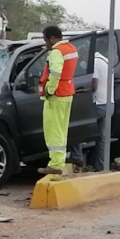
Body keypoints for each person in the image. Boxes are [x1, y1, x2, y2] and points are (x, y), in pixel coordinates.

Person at [37, 25, 78, 175]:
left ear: (52, 38)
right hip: (67, 93)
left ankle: (55, 164)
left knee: (53, 131)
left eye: (46, 40)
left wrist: (49, 89)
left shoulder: (56, 52)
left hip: (57, 95)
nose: (46, 43)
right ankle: (59, 161)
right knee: (61, 130)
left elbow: (55, 73)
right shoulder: (71, 48)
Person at [91, 43, 114, 171]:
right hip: (110, 103)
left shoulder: (94, 62)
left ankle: (76, 156)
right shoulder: (106, 61)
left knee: (77, 128)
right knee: (103, 138)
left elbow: (94, 85)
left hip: (99, 104)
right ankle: (102, 166)